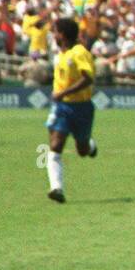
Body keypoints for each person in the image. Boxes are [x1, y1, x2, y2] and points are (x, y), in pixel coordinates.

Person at [43, 18, 99, 203]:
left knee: (82, 150)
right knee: (56, 144)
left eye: (55, 31)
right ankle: (56, 188)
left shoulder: (79, 52)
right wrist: (59, 94)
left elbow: (88, 78)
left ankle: (90, 145)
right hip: (63, 107)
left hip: (82, 108)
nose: (53, 35)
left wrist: (64, 92)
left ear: (63, 34)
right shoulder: (61, 54)